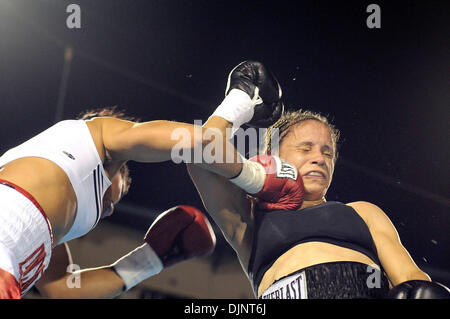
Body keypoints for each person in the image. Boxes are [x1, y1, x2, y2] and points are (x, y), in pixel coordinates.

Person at [186, 60, 450, 299]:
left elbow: (412, 281)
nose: (320, 158)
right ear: (270, 155)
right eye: (305, 148)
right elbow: (198, 152)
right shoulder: (250, 217)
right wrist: (240, 102)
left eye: (328, 153)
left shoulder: (363, 213)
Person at [0, 108, 219, 298]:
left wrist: (151, 259)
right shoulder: (95, 132)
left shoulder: (46, 230)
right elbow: (196, 138)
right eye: (110, 194)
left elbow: (63, 289)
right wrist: (237, 104)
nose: (109, 208)